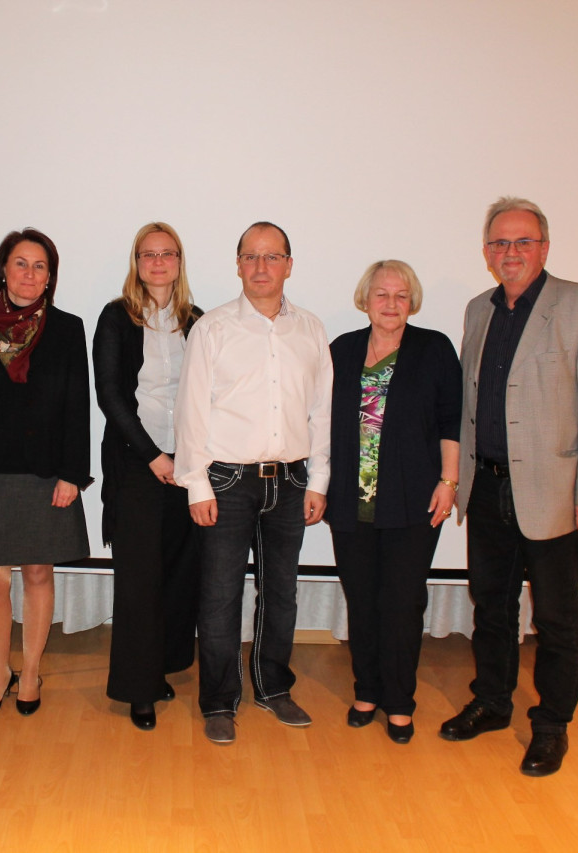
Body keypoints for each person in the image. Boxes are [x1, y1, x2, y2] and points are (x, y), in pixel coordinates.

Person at [440, 197, 578, 777]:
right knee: (491, 606)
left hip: (553, 491)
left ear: (543, 248)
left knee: (556, 617)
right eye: (499, 243)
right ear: (487, 252)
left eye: (522, 242)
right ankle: (493, 703)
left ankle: (550, 726)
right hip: (488, 487)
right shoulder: (478, 310)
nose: (509, 253)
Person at [174, 221, 332, 745]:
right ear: (237, 264)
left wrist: (320, 481)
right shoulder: (213, 329)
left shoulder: (310, 329)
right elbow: (191, 409)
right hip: (226, 481)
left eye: (272, 257)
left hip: (290, 481)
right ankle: (219, 701)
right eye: (251, 257)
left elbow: (322, 412)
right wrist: (196, 483)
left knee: (280, 593)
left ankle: (271, 687)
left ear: (289, 264)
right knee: (220, 597)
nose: (261, 267)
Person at [0, 228, 91, 717]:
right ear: (3, 269)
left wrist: (73, 474)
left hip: (46, 473)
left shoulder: (69, 328)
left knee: (37, 571)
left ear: (50, 276)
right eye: (20, 264)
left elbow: (78, 406)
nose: (30, 274)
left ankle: (30, 670)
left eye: (40, 266)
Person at [325, 260, 461, 745]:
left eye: (401, 295)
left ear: (412, 302)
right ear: (365, 299)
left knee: (402, 604)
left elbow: (451, 420)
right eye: (381, 294)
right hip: (350, 502)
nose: (390, 304)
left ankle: (400, 702)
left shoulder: (434, 349)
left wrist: (449, 481)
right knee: (362, 601)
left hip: (412, 502)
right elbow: (320, 422)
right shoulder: (341, 350)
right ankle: (367, 691)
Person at [95, 222, 203, 731]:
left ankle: (162, 667)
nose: (158, 263)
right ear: (136, 263)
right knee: (139, 579)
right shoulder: (116, 318)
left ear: (180, 261)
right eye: (148, 254)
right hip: (138, 464)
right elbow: (111, 397)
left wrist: (190, 459)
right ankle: (137, 689)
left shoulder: (199, 321)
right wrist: (153, 456)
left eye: (167, 254)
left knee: (180, 572)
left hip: (189, 465)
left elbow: (208, 395)